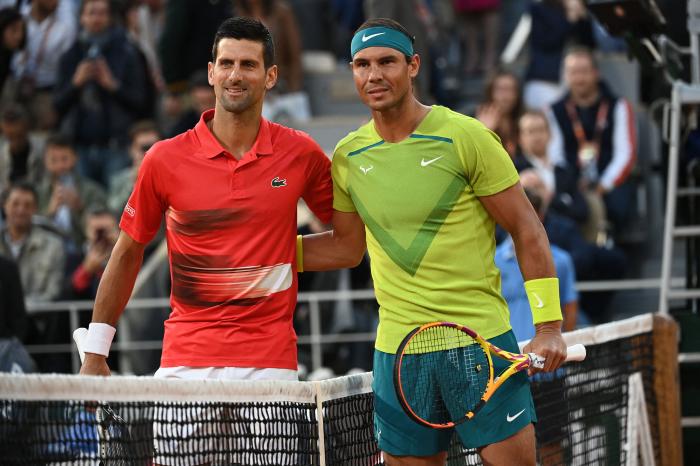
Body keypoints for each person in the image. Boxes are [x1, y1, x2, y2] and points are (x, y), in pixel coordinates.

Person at [301, 18, 567, 466]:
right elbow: (346, 248)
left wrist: (548, 327)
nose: (374, 75)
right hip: (399, 355)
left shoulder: (467, 137)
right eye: (362, 65)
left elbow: (527, 229)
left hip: (479, 343)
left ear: (413, 66)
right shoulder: (347, 156)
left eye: (387, 61)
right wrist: (267, 251)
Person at [79, 17, 333, 463]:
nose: (236, 74)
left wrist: (277, 253)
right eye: (227, 63)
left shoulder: (302, 154)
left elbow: (349, 243)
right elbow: (128, 251)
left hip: (270, 365)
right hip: (186, 362)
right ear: (212, 72)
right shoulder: (164, 158)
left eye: (249, 65)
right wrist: (96, 352)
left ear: (270, 76)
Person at [547, 47, 637, 237]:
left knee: (618, 206)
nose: (579, 78)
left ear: (596, 73)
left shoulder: (618, 106)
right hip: (572, 184)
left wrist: (603, 185)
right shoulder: (554, 110)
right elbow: (555, 155)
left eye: (584, 71)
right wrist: (571, 183)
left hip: (610, 184)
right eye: (573, 72)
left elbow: (626, 154)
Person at [0, 181, 65, 305]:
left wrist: (19, 307)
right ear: (4, 206)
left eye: (27, 205)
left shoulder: (53, 246)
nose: (21, 210)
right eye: (15, 204)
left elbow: (53, 291)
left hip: (37, 315)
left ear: (35, 209)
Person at [476, 69, 524, 158]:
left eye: (510, 89)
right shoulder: (477, 120)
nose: (506, 96)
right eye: (501, 89)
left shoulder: (524, 120)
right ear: (490, 92)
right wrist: (485, 131)